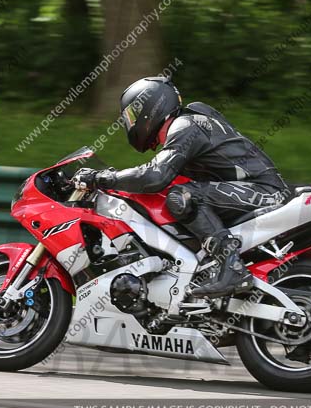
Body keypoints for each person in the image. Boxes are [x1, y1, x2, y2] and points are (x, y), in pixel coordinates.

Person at [74, 76, 290, 298]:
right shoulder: (188, 124)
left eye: (132, 115)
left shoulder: (185, 126)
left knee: (184, 197)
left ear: (150, 107)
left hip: (264, 191)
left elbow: (154, 176)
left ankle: (233, 268)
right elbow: (152, 177)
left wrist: (103, 178)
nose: (131, 123)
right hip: (252, 190)